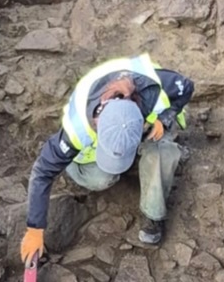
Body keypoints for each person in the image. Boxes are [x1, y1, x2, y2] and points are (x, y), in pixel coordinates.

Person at [20, 54, 194, 266]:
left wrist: (163, 119)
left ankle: (153, 215)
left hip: (146, 129)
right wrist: (35, 228)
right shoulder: (77, 129)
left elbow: (186, 87)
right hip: (90, 151)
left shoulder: (154, 87)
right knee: (99, 178)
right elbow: (42, 172)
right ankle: (125, 166)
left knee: (162, 151)